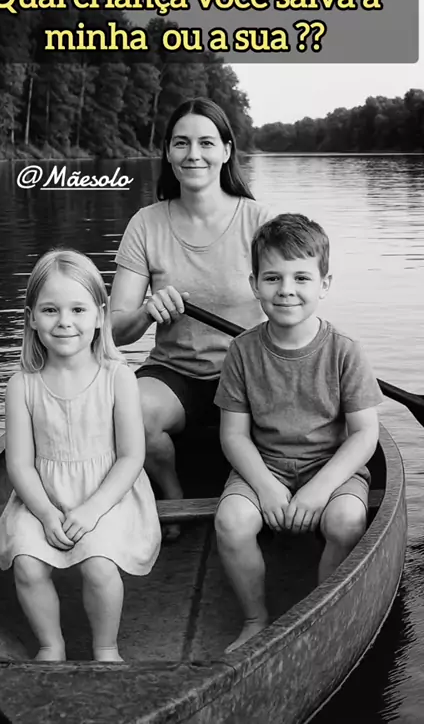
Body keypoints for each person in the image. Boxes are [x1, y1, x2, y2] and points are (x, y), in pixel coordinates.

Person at [214, 213, 383, 653]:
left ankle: (318, 617)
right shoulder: (242, 351)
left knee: (347, 520)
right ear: (254, 285)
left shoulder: (345, 351)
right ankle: (256, 619)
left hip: (330, 467)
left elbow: (364, 434)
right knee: (231, 521)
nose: (286, 289)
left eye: (301, 278)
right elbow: (234, 435)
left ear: (324, 284)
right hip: (265, 465)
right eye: (272, 278)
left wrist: (319, 490)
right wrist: (266, 487)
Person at [111, 97, 269, 538]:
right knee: (129, 408)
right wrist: (147, 312)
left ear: (226, 150)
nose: (193, 154)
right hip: (174, 374)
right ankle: (172, 494)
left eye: (206, 143)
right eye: (181, 143)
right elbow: (115, 331)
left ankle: (260, 494)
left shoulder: (258, 221)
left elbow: (293, 307)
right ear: (167, 152)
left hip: (248, 373)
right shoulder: (146, 223)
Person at [0, 248, 161, 662]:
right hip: (42, 495)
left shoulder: (117, 377)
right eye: (50, 310)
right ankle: (51, 645)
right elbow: (19, 464)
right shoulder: (22, 385)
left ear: (100, 316)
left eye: (78, 309)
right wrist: (46, 513)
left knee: (98, 562)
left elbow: (131, 457)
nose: (64, 321)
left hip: (109, 494)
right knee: (27, 562)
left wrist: (92, 510)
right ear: (32, 318)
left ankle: (106, 647)